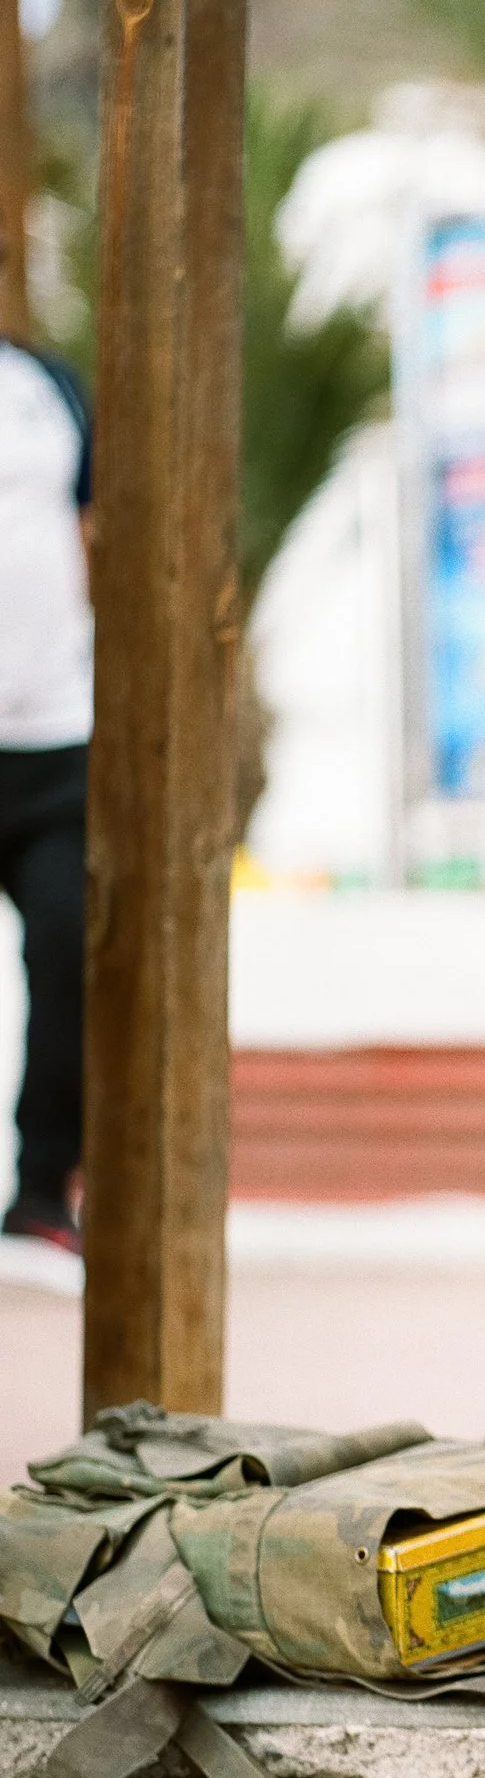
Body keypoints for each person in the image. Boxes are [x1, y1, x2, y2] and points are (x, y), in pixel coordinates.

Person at [0, 328, 91, 1256]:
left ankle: (38, 1189)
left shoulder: (45, 387)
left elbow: (93, 524)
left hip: (54, 737)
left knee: (69, 947)